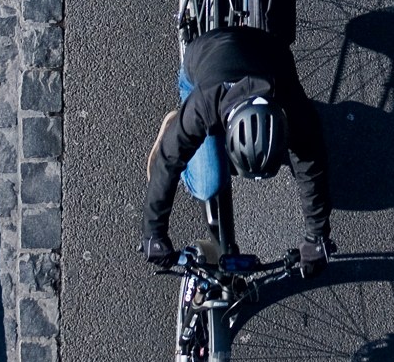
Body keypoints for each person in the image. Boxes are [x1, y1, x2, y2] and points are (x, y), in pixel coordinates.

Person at [139, 24, 334, 276]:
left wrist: (317, 236)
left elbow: (312, 169)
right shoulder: (205, 104)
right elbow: (168, 159)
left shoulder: (295, 110)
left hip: (265, 47)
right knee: (209, 182)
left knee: (307, 144)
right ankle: (175, 123)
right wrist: (153, 233)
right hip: (205, 53)